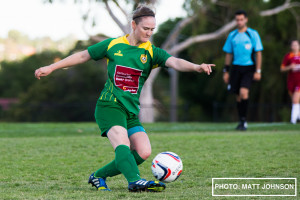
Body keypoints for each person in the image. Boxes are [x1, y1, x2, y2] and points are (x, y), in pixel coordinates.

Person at [34, 5, 215, 192]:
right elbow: (82, 55)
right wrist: (51, 67)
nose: (149, 33)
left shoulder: (151, 52)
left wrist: (196, 67)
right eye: (146, 28)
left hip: (130, 110)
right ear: (133, 25)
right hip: (109, 105)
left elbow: (174, 61)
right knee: (122, 142)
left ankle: (98, 176)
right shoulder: (113, 45)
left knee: (143, 151)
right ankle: (135, 181)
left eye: (153, 29)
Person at [222, 10, 263, 131]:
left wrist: (258, 70)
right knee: (238, 96)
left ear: (246, 20)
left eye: (241, 19)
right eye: (237, 20)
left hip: (249, 67)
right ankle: (241, 120)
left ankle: (244, 121)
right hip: (236, 68)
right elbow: (228, 54)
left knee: (244, 92)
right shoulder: (232, 35)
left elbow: (258, 53)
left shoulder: (253, 34)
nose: (239, 22)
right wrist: (226, 71)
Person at [280, 40, 300, 124]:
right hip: (291, 81)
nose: (295, 47)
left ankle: (293, 120)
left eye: (296, 45)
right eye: (293, 45)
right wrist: (290, 67)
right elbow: (282, 68)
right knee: (295, 101)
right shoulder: (288, 56)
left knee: (295, 100)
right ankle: (298, 117)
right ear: (291, 47)